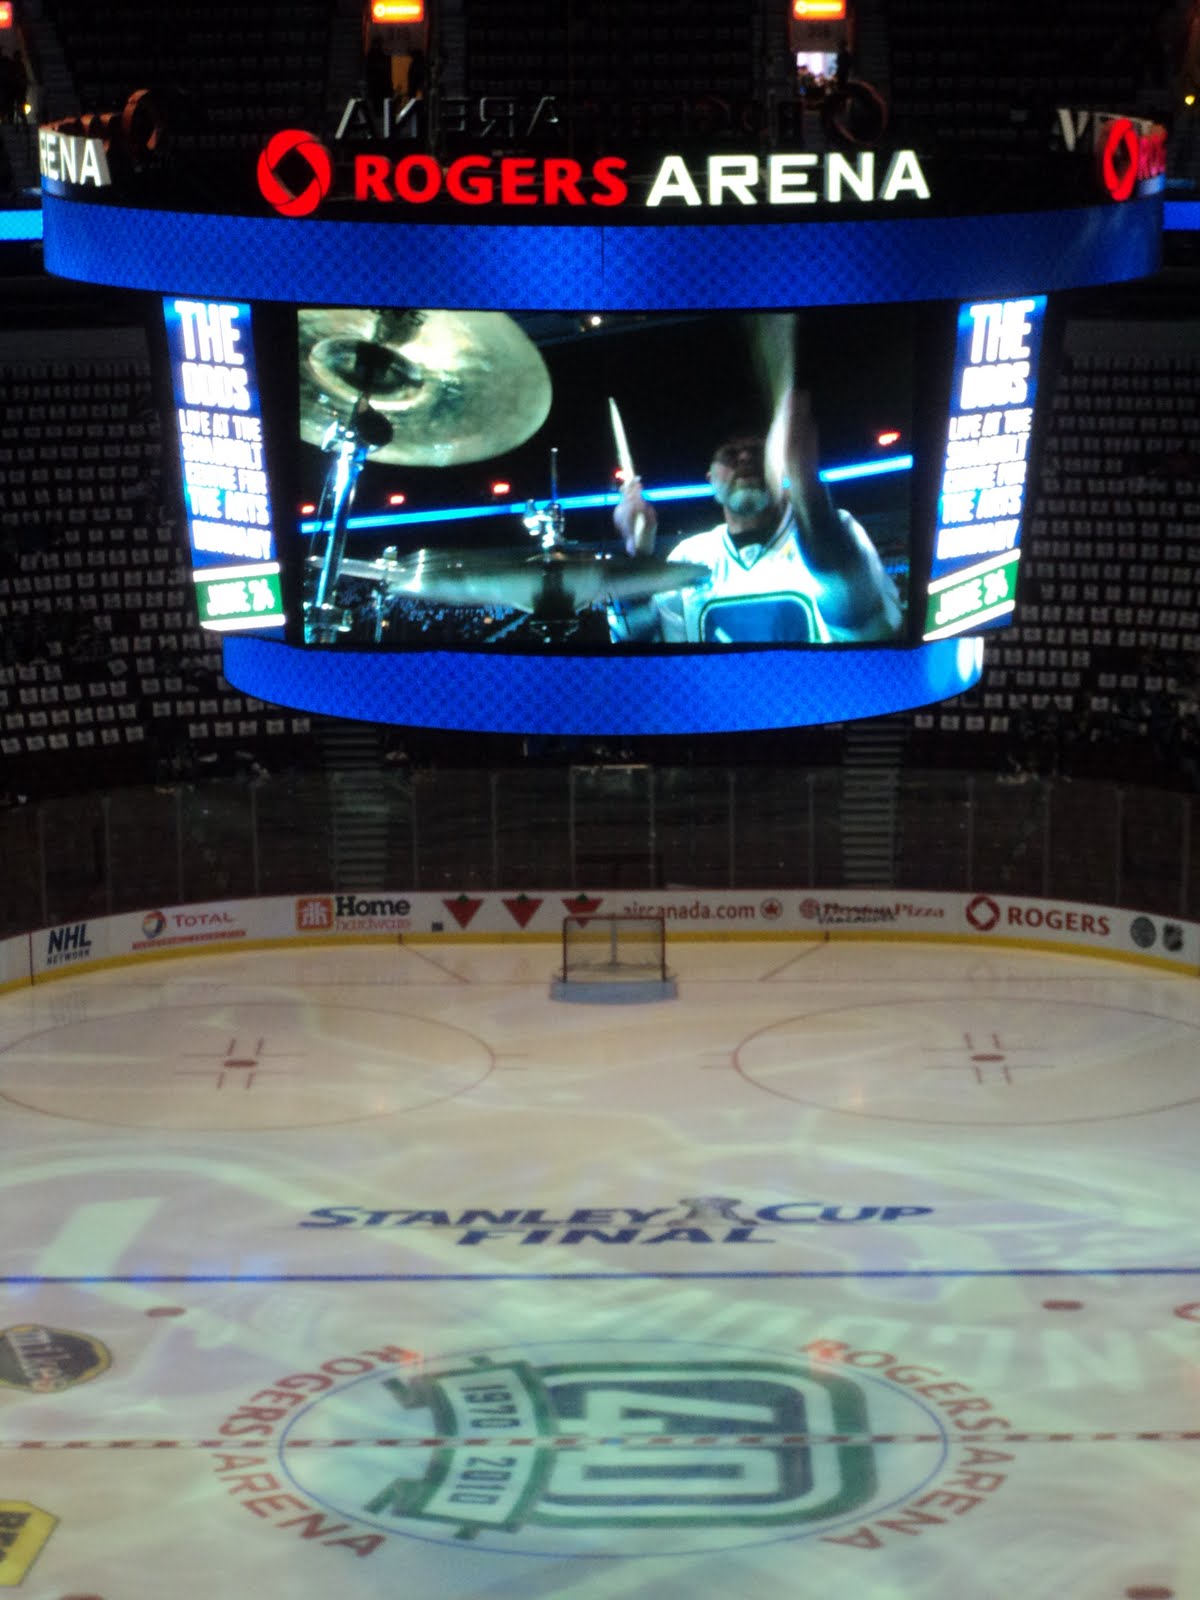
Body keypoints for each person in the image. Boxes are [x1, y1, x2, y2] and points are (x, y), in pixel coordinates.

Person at [608, 373, 902, 646]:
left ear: (781, 466)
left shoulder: (837, 529)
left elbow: (868, 630)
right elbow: (641, 653)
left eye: (760, 451)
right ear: (711, 480)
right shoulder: (688, 557)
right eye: (729, 453)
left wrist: (807, 488)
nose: (745, 457)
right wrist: (639, 555)